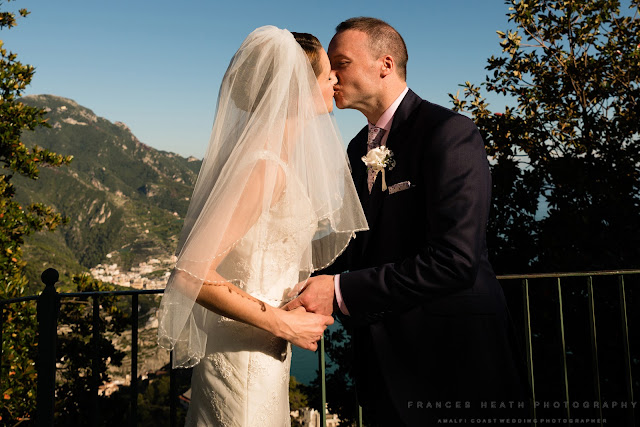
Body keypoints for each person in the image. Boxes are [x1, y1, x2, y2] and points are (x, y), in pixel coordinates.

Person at [285, 17, 529, 425]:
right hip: (384, 363)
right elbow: (359, 243)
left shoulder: (449, 132)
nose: (330, 74)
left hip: (454, 361)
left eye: (340, 61)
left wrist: (338, 290)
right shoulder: (354, 148)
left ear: (384, 64)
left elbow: (455, 260)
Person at [156, 26, 368, 426]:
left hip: (262, 354)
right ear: (298, 90)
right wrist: (283, 322)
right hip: (243, 361)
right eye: (327, 75)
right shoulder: (263, 166)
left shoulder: (277, 161)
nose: (336, 81)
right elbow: (189, 275)